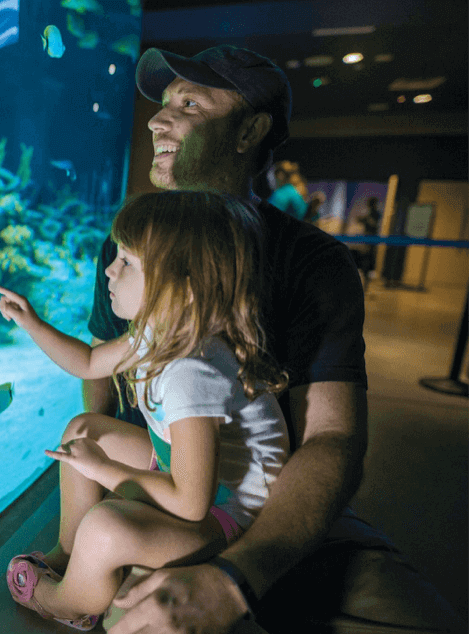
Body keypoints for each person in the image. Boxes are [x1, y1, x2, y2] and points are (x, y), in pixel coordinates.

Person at [84, 45, 467, 633]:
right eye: (162, 104)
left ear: (251, 131)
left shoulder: (314, 263)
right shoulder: (126, 245)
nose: (159, 120)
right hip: (160, 491)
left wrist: (237, 577)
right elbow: (100, 380)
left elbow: (333, 439)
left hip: (273, 502)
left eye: (188, 103)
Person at [0, 192, 290, 630]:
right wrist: (32, 323)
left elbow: (191, 505)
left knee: (107, 526)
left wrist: (104, 471)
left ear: (184, 288)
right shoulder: (160, 330)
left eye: (128, 262)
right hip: (186, 475)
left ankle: (65, 601)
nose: (110, 269)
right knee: (85, 431)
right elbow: (90, 363)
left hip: (227, 514)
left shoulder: (190, 373)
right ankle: (69, 553)